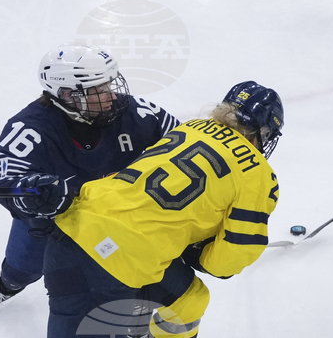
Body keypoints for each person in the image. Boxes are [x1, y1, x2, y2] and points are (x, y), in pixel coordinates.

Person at [33, 81, 283, 338]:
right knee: (186, 303)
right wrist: (200, 256)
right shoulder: (260, 175)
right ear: (262, 132)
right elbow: (232, 257)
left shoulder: (191, 126)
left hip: (70, 228)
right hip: (119, 262)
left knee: (190, 298)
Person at [0, 45, 179, 310]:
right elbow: (2, 185)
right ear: (66, 95)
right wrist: (35, 193)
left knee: (132, 272)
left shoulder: (134, 113)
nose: (111, 97)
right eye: (98, 91)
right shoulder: (30, 128)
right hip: (49, 223)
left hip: (113, 218)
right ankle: (5, 287)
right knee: (21, 271)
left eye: (109, 86)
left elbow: (183, 139)